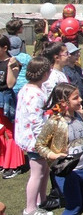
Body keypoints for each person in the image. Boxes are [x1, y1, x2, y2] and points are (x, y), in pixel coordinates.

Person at [35, 83, 83, 215]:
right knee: (74, 205)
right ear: (64, 102)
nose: (80, 100)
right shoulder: (55, 121)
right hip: (67, 171)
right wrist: (54, 156)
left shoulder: (81, 116)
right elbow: (39, 145)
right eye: (76, 98)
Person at [14, 57, 52, 215]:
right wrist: (45, 141)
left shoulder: (26, 88)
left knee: (43, 170)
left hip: (29, 138)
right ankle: (30, 209)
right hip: (35, 140)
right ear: (44, 74)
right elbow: (36, 121)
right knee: (37, 173)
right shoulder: (35, 94)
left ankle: (40, 201)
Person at [0, 35, 24, 179]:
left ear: (5, 48)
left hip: (6, 101)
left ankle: (14, 165)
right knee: (0, 131)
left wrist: (10, 66)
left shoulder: (13, 62)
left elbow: (9, 84)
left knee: (10, 132)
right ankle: (3, 161)